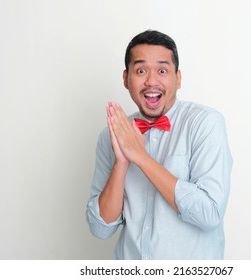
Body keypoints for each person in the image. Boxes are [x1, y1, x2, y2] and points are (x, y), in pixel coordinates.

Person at [86, 30, 233, 260]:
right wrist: (122, 162)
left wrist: (140, 156)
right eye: (141, 70)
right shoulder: (111, 135)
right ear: (126, 79)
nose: (151, 81)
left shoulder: (205, 124)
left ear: (178, 78)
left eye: (162, 70)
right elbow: (100, 228)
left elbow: (210, 214)